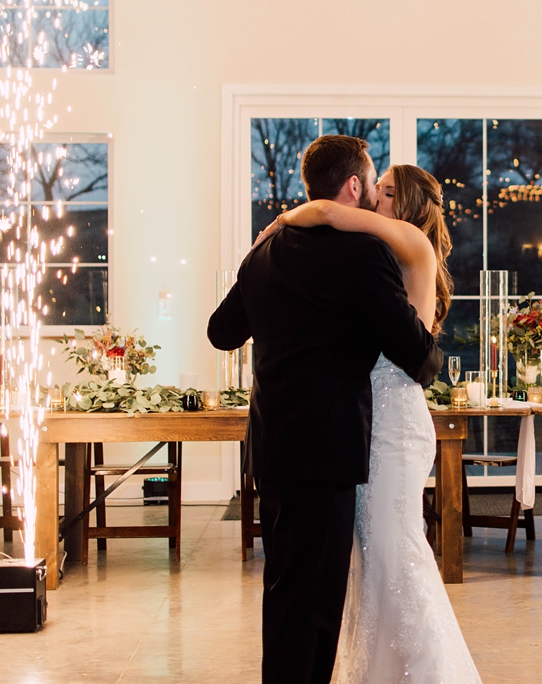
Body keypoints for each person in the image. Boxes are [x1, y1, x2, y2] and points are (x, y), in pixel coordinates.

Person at [207, 136, 443, 684]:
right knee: (314, 609)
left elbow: (222, 333)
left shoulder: (266, 250)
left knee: (284, 590)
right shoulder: (362, 254)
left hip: (272, 449)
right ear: (354, 186)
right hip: (328, 451)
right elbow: (416, 355)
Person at [256, 162, 483, 683]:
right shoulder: (389, 251)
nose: (374, 203)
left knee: (394, 554)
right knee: (373, 561)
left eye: (384, 193)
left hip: (395, 420)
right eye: (375, 191)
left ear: (405, 205)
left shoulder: (407, 240)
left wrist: (286, 220)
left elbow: (329, 211)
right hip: (367, 421)